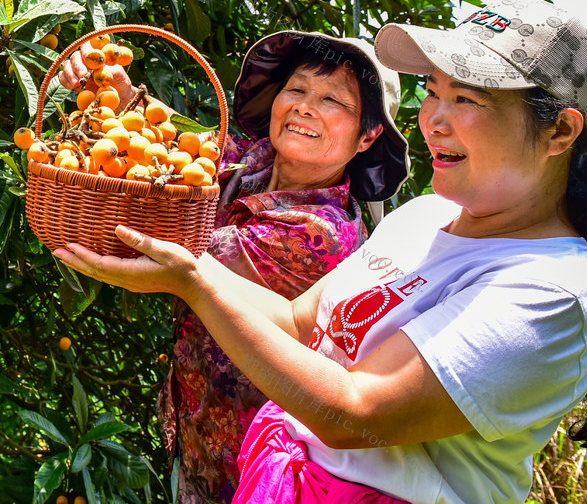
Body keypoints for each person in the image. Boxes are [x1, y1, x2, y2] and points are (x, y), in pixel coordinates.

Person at [54, 0, 587, 504]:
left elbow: (357, 413)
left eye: (466, 98)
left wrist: (192, 280)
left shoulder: (554, 292)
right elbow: (302, 323)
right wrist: (122, 105)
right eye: (433, 92)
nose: (435, 119)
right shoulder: (423, 217)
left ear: (560, 133)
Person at [59, 31, 410, 502]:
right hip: (195, 428)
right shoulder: (257, 157)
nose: (305, 106)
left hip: (255, 464)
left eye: (333, 101)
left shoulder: (321, 232)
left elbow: (179, 246)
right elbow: (180, 154)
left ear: (368, 136)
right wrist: (122, 95)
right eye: (298, 89)